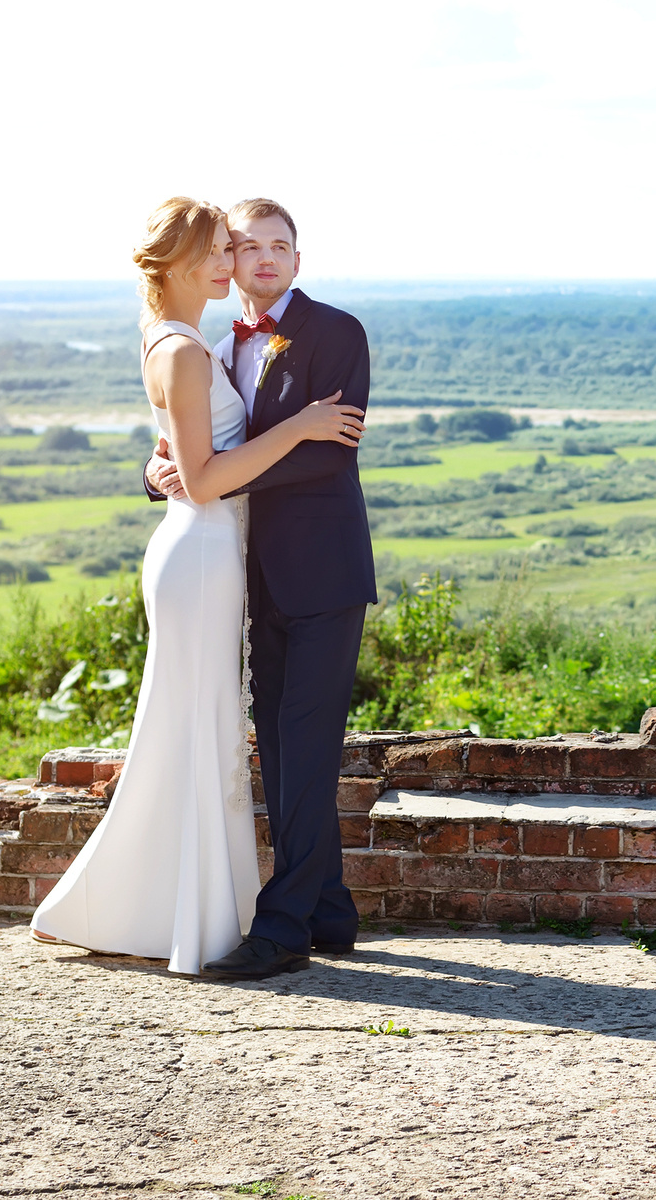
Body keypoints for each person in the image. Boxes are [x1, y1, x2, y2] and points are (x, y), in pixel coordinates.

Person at [29, 199, 360, 976]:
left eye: (242, 249)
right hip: (209, 558)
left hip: (273, 564)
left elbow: (218, 456)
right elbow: (201, 470)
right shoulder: (195, 347)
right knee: (206, 729)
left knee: (232, 733)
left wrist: (174, 470)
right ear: (178, 263)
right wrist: (288, 427)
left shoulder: (309, 334)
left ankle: (299, 913)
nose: (235, 262)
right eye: (226, 250)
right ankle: (197, 911)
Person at [144, 197, 376, 981]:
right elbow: (193, 442)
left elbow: (329, 455)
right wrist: (164, 473)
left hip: (322, 572)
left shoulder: (336, 332)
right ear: (231, 262)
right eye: (248, 246)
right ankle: (329, 910)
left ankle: (282, 930)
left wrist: (212, 479)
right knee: (279, 750)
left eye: (281, 245)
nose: (265, 257)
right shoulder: (214, 346)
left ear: (298, 261)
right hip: (249, 576)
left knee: (303, 749)